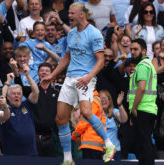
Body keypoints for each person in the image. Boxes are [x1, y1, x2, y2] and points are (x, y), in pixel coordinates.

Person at [41, 2, 116, 164]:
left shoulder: (94, 33)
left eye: (72, 13)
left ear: (81, 14)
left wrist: (89, 77)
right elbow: (66, 58)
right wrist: (52, 75)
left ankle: (109, 144)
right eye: (69, 13)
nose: (69, 16)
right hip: (69, 78)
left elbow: (101, 60)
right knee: (60, 119)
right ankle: (68, 159)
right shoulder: (71, 33)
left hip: (85, 78)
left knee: (87, 112)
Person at [128, 38, 158, 165]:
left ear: (144, 51)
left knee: (144, 146)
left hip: (142, 109)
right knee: (142, 144)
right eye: (131, 49)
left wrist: (134, 107)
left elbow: (141, 87)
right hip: (148, 109)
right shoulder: (149, 65)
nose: (132, 52)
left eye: (135, 49)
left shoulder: (142, 66)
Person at [1, 63, 39, 155]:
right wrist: (8, 82)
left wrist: (27, 75)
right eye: (14, 94)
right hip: (11, 155)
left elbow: (36, 92)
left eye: (19, 93)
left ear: (22, 96)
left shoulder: (27, 105)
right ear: (8, 97)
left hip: (30, 153)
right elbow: (2, 98)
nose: (17, 96)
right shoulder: (6, 109)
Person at [71, 90, 106, 160]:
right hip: (93, 144)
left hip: (92, 144)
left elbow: (85, 121)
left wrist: (74, 134)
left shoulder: (92, 101)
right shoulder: (93, 100)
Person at [100, 90, 128, 160]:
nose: (103, 100)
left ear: (109, 101)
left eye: (105, 98)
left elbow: (124, 119)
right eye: (101, 98)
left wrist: (120, 104)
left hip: (115, 150)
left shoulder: (114, 112)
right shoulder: (94, 115)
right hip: (101, 151)